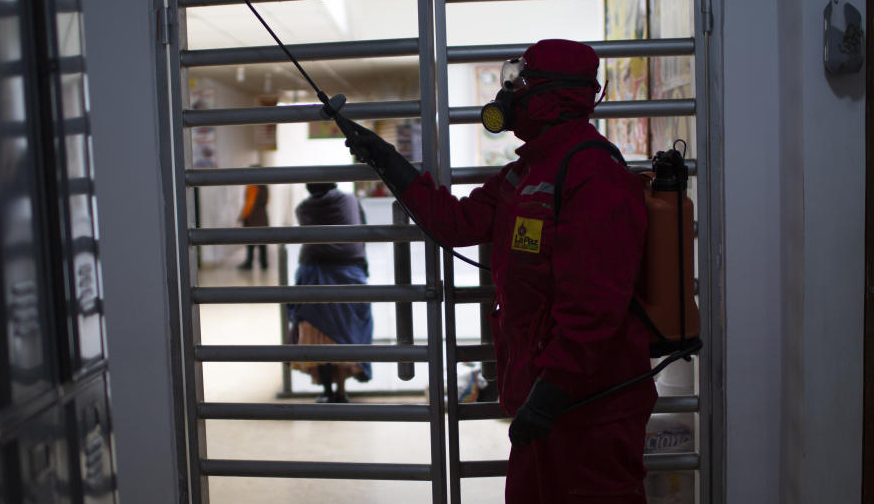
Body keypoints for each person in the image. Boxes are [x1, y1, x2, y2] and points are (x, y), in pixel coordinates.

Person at [343, 39, 656, 503]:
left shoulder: (593, 173)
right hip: (545, 398)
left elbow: (595, 306)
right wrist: (387, 161)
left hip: (590, 408)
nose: (507, 94)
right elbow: (454, 222)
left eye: (519, 82)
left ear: (549, 95)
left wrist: (552, 392)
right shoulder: (525, 171)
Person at [288, 183, 373, 403]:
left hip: (314, 275)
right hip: (348, 273)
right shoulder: (350, 201)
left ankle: (327, 390)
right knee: (345, 333)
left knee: (317, 335)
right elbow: (362, 230)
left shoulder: (304, 209)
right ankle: (342, 391)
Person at [237, 176, 269, 270]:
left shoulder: (252, 186)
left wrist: (243, 216)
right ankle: (264, 264)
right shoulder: (264, 186)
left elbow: (249, 203)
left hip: (253, 218)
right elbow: (267, 201)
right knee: (263, 242)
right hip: (262, 217)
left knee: (250, 241)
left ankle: (249, 263)